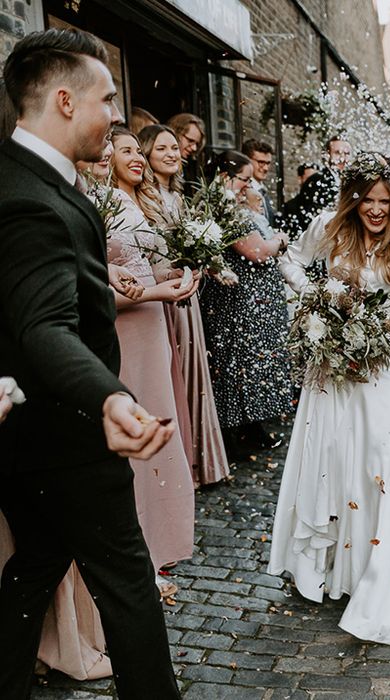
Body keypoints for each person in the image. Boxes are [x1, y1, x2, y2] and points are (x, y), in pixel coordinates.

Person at [0, 27, 180, 699]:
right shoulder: (28, 198)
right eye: (107, 99)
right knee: (129, 585)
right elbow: (43, 325)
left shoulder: (33, 177)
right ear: (66, 101)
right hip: (68, 433)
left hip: (31, 435)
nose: (115, 115)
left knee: (35, 565)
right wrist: (109, 397)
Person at [269, 152, 390, 650]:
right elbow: (291, 261)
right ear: (353, 199)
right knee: (332, 459)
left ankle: (381, 575)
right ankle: (334, 569)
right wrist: (323, 300)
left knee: (382, 465)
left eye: (385, 201)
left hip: (386, 366)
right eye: (367, 200)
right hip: (333, 363)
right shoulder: (328, 225)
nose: (376, 209)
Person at [109, 125, 197, 589]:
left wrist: (175, 274)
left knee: (158, 429)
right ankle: (135, 548)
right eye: (126, 151)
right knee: (133, 436)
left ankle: (157, 546)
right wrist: (157, 289)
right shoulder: (100, 205)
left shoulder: (139, 203)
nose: (135, 158)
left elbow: (146, 265)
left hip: (153, 326)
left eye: (132, 150)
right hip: (125, 331)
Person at [139, 123, 231, 486]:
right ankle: (180, 465)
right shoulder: (141, 200)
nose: (172, 154)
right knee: (171, 376)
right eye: (162, 148)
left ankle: (200, 461)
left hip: (185, 294)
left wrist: (201, 259)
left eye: (175, 148)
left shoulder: (179, 199)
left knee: (194, 374)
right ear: (147, 154)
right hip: (160, 297)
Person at [199, 150, 292, 452]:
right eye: (244, 179)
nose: (250, 186)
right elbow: (257, 252)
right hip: (237, 301)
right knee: (238, 364)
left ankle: (249, 428)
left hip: (248, 300)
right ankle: (239, 433)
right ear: (226, 177)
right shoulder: (223, 209)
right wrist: (280, 240)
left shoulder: (234, 206)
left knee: (246, 364)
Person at [299, 135, 353, 216]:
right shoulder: (315, 181)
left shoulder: (353, 181)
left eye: (346, 153)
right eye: (337, 153)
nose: (343, 158)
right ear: (327, 155)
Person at [167, 112, 205, 193]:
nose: (194, 148)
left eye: (197, 144)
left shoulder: (188, 168)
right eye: (190, 140)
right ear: (175, 133)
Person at [242, 138, 277, 225]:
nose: (265, 168)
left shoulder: (262, 189)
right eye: (261, 162)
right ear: (247, 160)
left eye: (268, 163)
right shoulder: (243, 190)